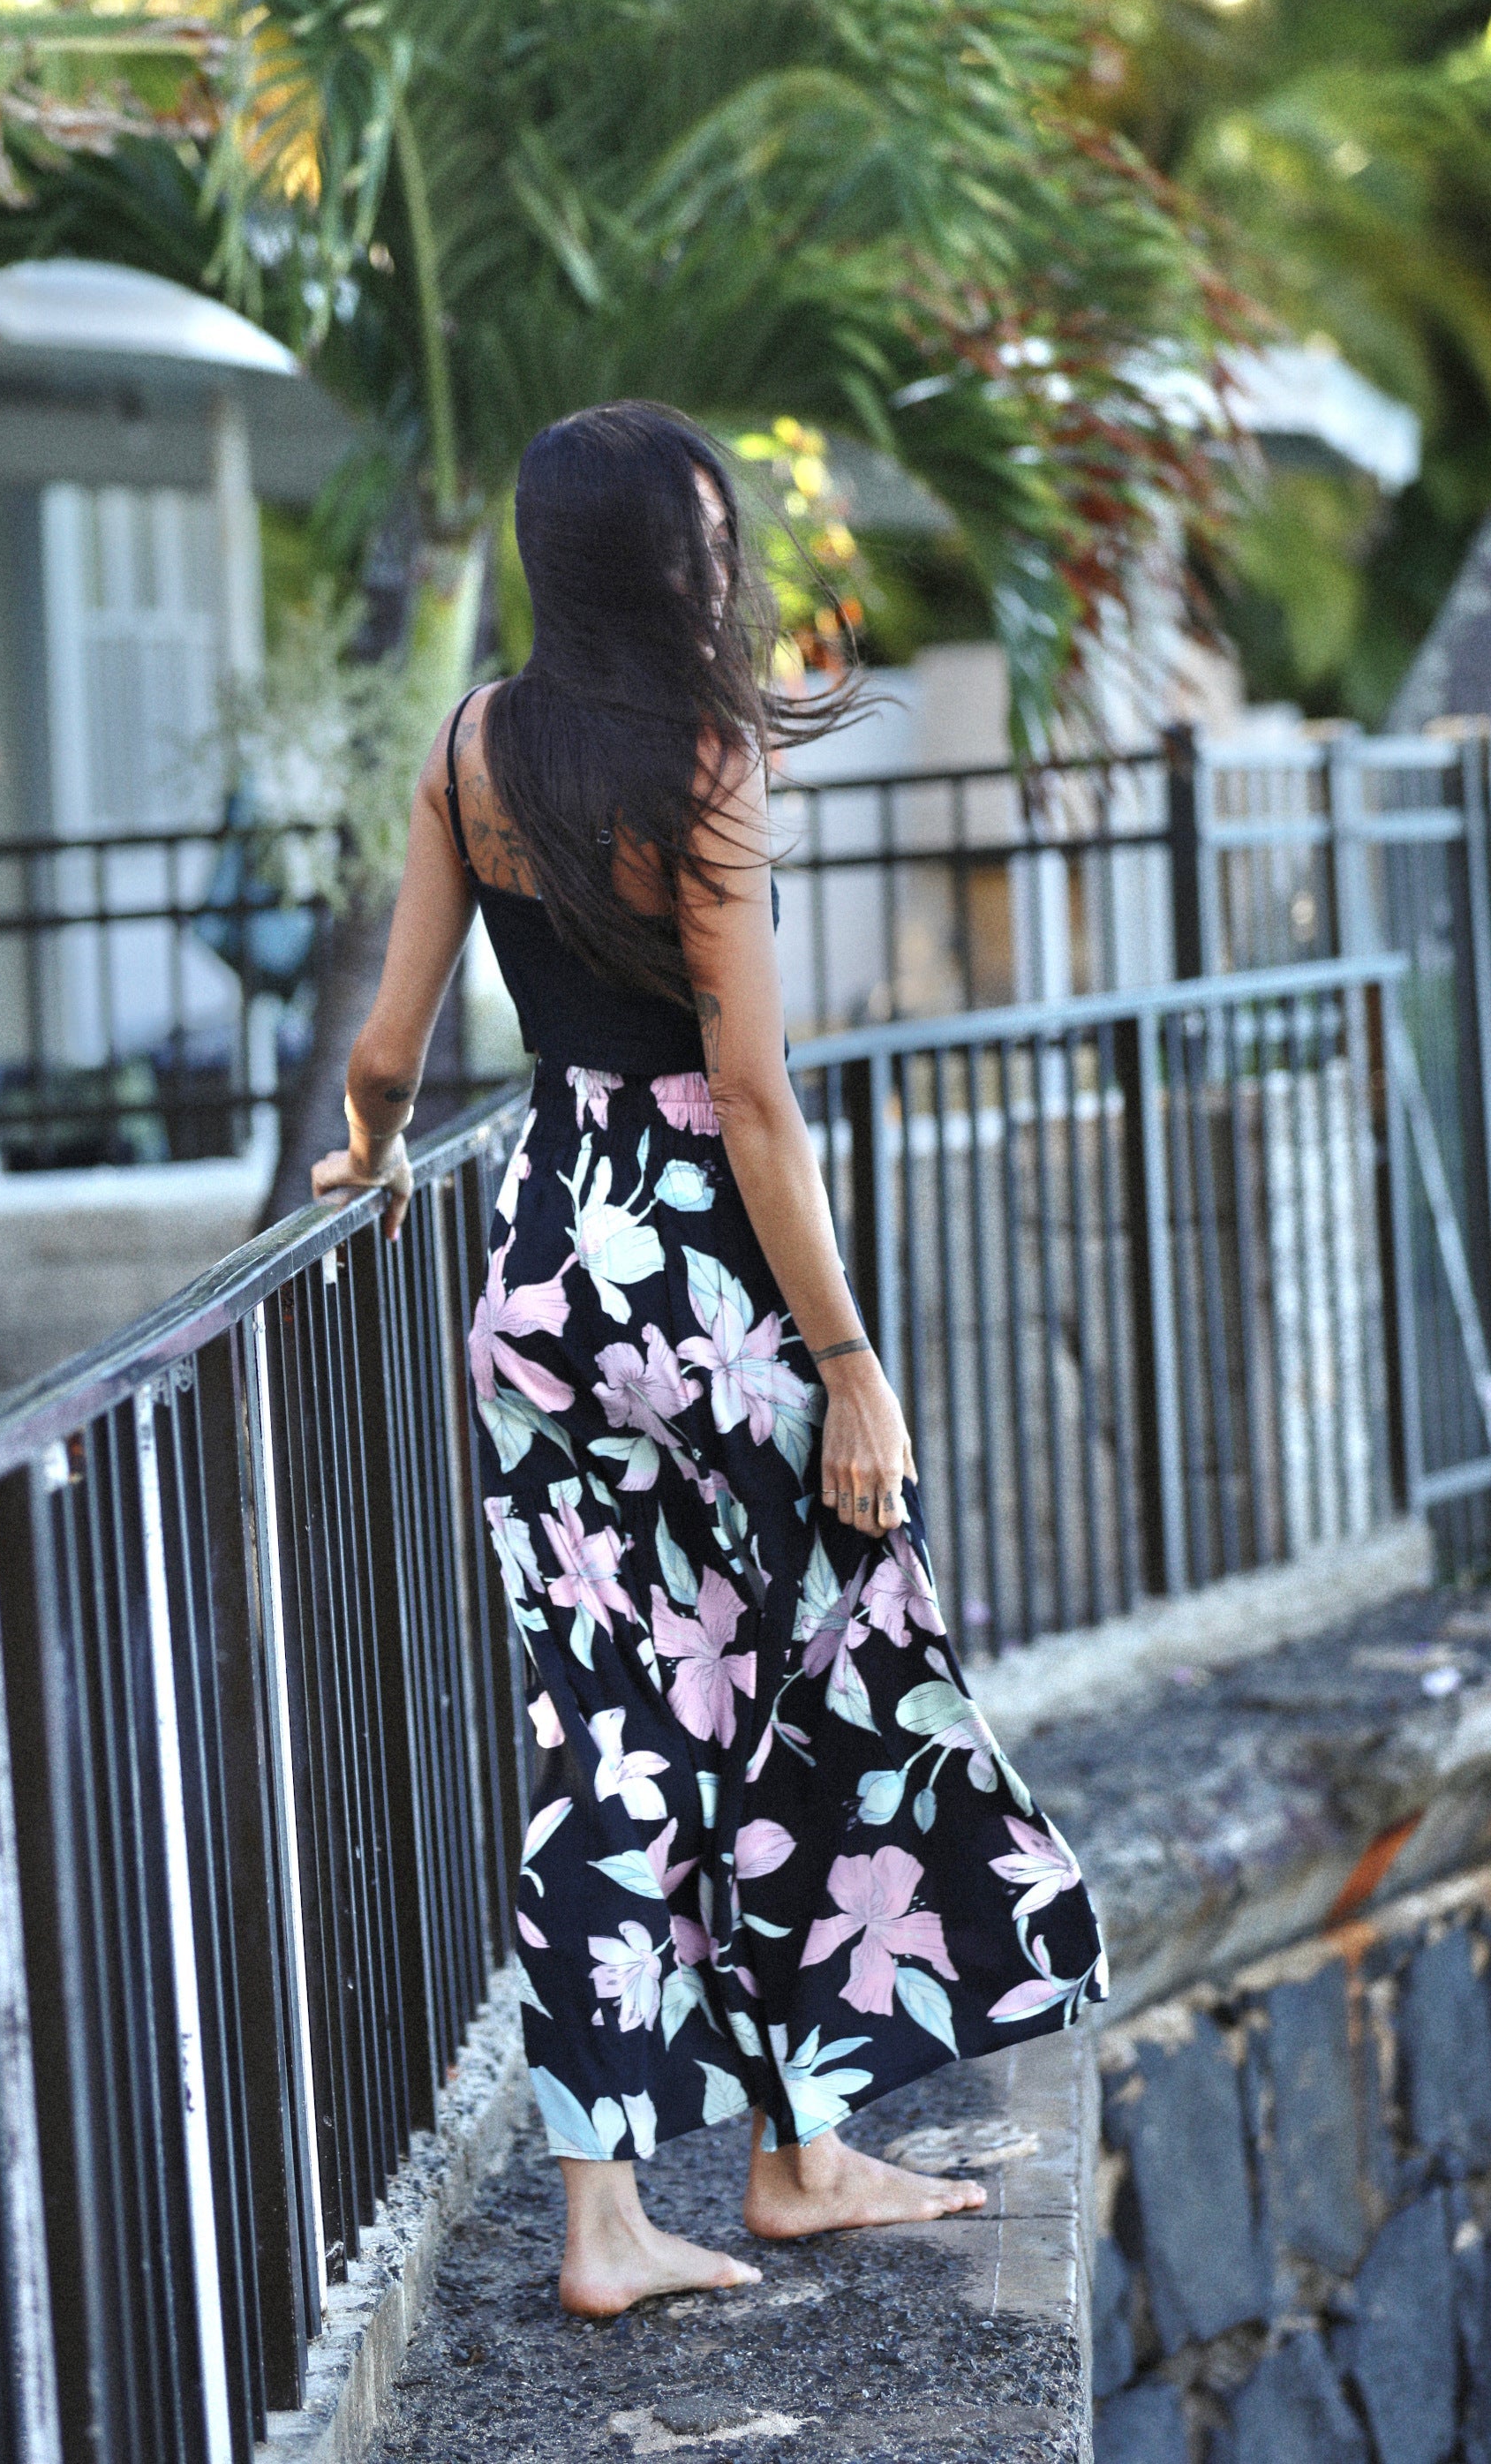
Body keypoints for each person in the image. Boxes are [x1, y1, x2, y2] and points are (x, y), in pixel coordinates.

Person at [313, 401, 1105, 2318]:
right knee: (826, 1671)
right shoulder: (704, 761)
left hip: (544, 1266)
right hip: (705, 1285)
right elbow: (749, 1096)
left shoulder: (471, 746)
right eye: (711, 539)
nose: (728, 565)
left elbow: (388, 1050)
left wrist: (370, 1153)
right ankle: (795, 2157)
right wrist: (850, 1361)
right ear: (670, 565)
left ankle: (614, 2218)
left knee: (608, 1727)